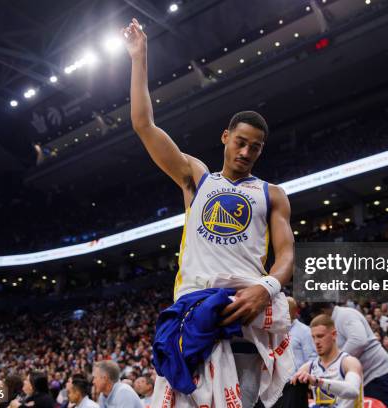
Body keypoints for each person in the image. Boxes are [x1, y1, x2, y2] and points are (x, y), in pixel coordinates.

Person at [123, 16, 294, 406]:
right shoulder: (196, 178)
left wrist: (266, 289)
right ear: (225, 138)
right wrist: (139, 57)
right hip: (191, 313)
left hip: (242, 319)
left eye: (256, 147)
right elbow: (143, 124)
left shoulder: (272, 194)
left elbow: (286, 257)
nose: (246, 152)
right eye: (240, 142)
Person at [314, 304, 388, 406]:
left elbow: (358, 341)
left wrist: (336, 361)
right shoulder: (332, 323)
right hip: (360, 379)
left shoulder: (345, 315)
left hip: (378, 373)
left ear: (323, 312)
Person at [291, 314, 364, 408]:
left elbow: (353, 391)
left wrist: (318, 381)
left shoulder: (349, 362)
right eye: (313, 337)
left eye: (320, 336)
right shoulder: (307, 368)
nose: (316, 341)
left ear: (334, 335)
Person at [288, 296, 317, 372]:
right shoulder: (276, 331)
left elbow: (311, 358)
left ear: (294, 312)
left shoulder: (304, 331)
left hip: (298, 379)